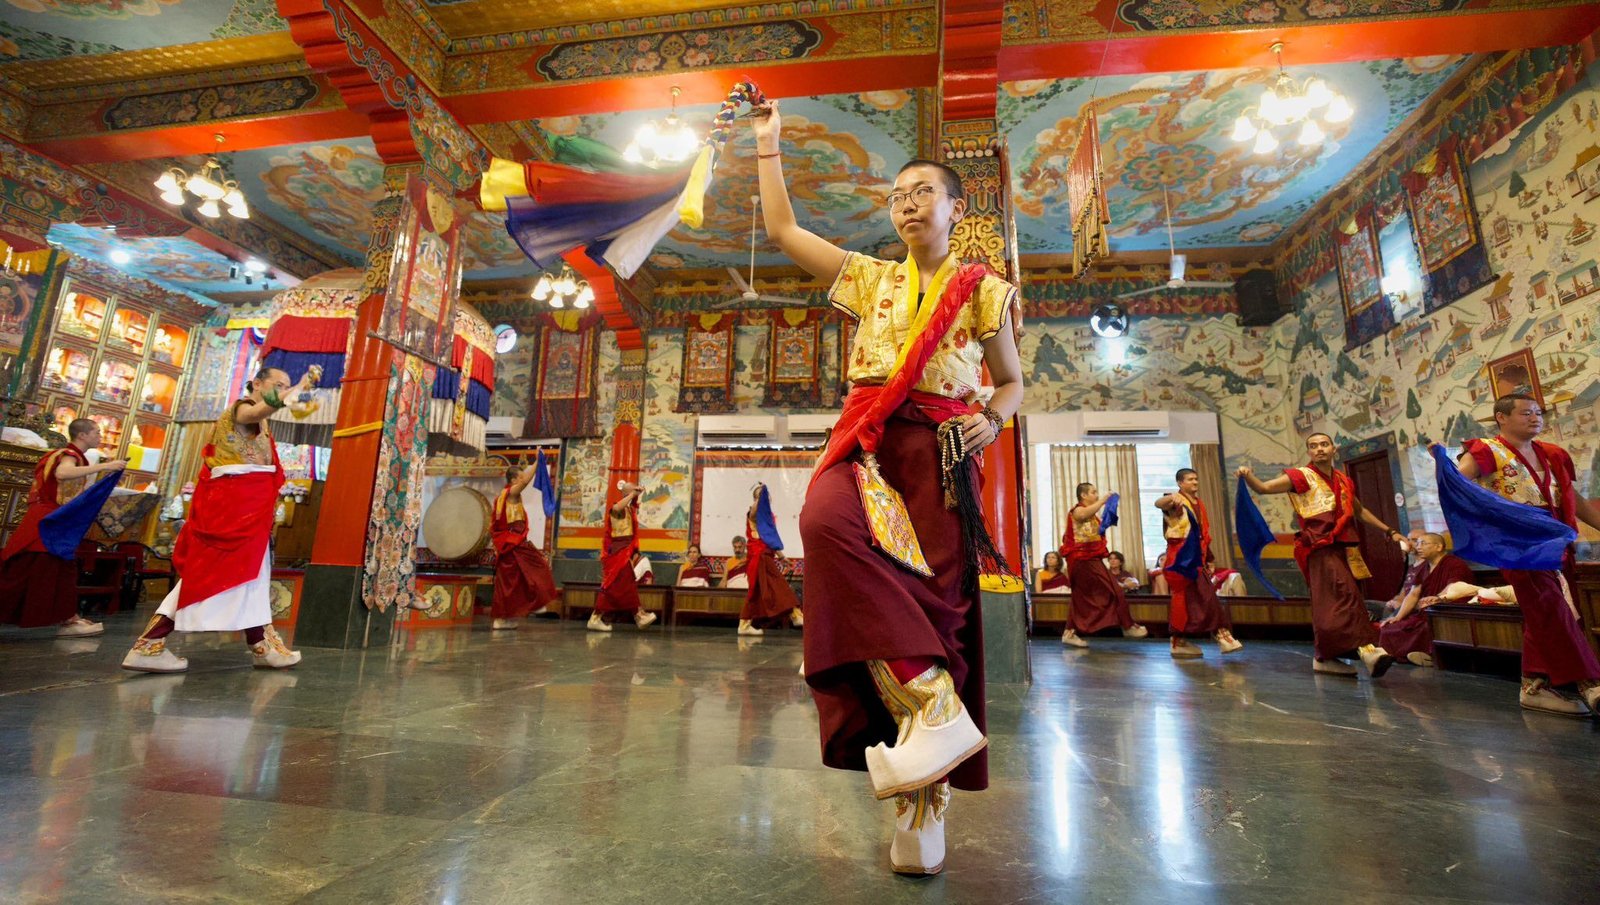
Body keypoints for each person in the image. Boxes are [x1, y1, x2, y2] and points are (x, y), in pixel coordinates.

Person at [754, 100, 1024, 877]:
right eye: (898, 195)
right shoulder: (868, 277)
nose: (907, 204)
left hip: (940, 454)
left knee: (932, 607)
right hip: (866, 440)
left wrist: (993, 419)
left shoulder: (983, 288)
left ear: (955, 208)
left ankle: (922, 798)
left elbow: (1010, 382)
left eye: (921, 192)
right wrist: (769, 144)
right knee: (823, 521)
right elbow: (783, 230)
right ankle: (933, 705)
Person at [122, 367, 309, 673]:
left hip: (250, 509)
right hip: (232, 510)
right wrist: (298, 387)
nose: (283, 390)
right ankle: (148, 644)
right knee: (209, 576)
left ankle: (262, 646)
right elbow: (256, 412)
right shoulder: (241, 410)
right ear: (257, 384)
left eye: (286, 386)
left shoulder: (263, 425)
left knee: (251, 576)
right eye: (278, 385)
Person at [1440, 394, 1600, 716]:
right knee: (1551, 605)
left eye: (1538, 412)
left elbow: (1574, 499)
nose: (1535, 418)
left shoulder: (1552, 454)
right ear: (1502, 417)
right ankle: (1590, 683)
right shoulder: (1487, 450)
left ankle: (1533, 686)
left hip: (1555, 541)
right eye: (1526, 413)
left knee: (1548, 611)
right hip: (1517, 544)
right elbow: (1457, 485)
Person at [1237, 432, 1402, 678]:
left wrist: (1390, 531)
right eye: (1313, 446)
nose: (1319, 449)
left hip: (1343, 547)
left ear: (1334, 449)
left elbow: (1359, 511)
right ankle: (1367, 650)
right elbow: (1264, 488)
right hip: (1319, 546)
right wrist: (1248, 475)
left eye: (1324, 444)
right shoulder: (1302, 475)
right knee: (1346, 595)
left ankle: (1325, 656)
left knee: (1334, 601)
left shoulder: (1343, 480)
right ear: (1309, 452)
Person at [1, 419, 125, 638]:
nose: (100, 436)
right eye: (96, 432)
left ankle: (69, 618)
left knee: (53, 570)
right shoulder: (69, 455)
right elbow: (63, 473)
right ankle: (68, 619)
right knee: (32, 571)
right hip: (48, 522)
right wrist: (106, 466)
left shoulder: (70, 455)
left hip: (51, 520)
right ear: (82, 435)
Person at [1154, 469, 1242, 659]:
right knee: (1206, 596)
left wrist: (1208, 557)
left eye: (1196, 479)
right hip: (1180, 559)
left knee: (1190, 600)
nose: (1195, 482)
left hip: (1195, 557)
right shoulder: (1175, 500)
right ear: (1180, 483)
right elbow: (1158, 503)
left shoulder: (1198, 503)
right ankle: (1222, 635)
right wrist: (1170, 498)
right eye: (1190, 479)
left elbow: (1202, 535)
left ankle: (1178, 640)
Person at [1059, 482, 1147, 648]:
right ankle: (1127, 626)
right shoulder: (1077, 510)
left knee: (1098, 593)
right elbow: (1082, 515)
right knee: (1107, 591)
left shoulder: (1093, 516)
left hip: (1091, 559)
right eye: (1093, 492)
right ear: (1083, 495)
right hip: (1081, 559)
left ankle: (1069, 632)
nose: (1097, 495)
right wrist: (1103, 501)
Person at [1378, 533, 1472, 667]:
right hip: (1426, 612)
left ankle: (1431, 656)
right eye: (1417, 544)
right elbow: (1413, 594)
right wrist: (1398, 617)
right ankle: (1396, 655)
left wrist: (1438, 598)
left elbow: (1455, 587)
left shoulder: (1454, 564)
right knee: (1390, 627)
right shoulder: (1424, 567)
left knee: (1428, 628)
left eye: (1423, 543)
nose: (1418, 547)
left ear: (1438, 547)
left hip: (1447, 611)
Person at [490, 463, 559, 629]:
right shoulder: (510, 493)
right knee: (528, 573)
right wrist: (537, 462)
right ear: (514, 480)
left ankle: (507, 618)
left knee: (515, 582)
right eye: (520, 477)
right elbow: (526, 481)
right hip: (512, 543)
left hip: (516, 542)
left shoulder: (508, 496)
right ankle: (530, 605)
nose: (523, 480)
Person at [589, 482, 658, 632]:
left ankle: (596, 617)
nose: (636, 493)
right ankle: (639, 615)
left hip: (624, 552)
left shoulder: (629, 509)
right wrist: (633, 494)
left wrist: (636, 495)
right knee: (622, 584)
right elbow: (615, 508)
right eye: (633, 490)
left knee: (619, 585)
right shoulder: (617, 508)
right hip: (617, 552)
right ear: (628, 493)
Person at [738, 483, 803, 637]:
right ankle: (796, 615)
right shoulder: (753, 513)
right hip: (759, 557)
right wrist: (760, 495)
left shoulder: (767, 515)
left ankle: (744, 624)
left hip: (765, 555)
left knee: (756, 592)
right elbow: (756, 511)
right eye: (761, 496)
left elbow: (769, 538)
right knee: (780, 585)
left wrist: (782, 556)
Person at [1373, 529, 1429, 621]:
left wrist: (1402, 605)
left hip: (1413, 608)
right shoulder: (1410, 567)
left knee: (1387, 615)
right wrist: (1395, 601)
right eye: (1408, 539)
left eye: (1414, 540)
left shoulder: (1428, 566)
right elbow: (1403, 592)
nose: (1409, 543)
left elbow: (1417, 596)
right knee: (1364, 605)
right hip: (1400, 604)